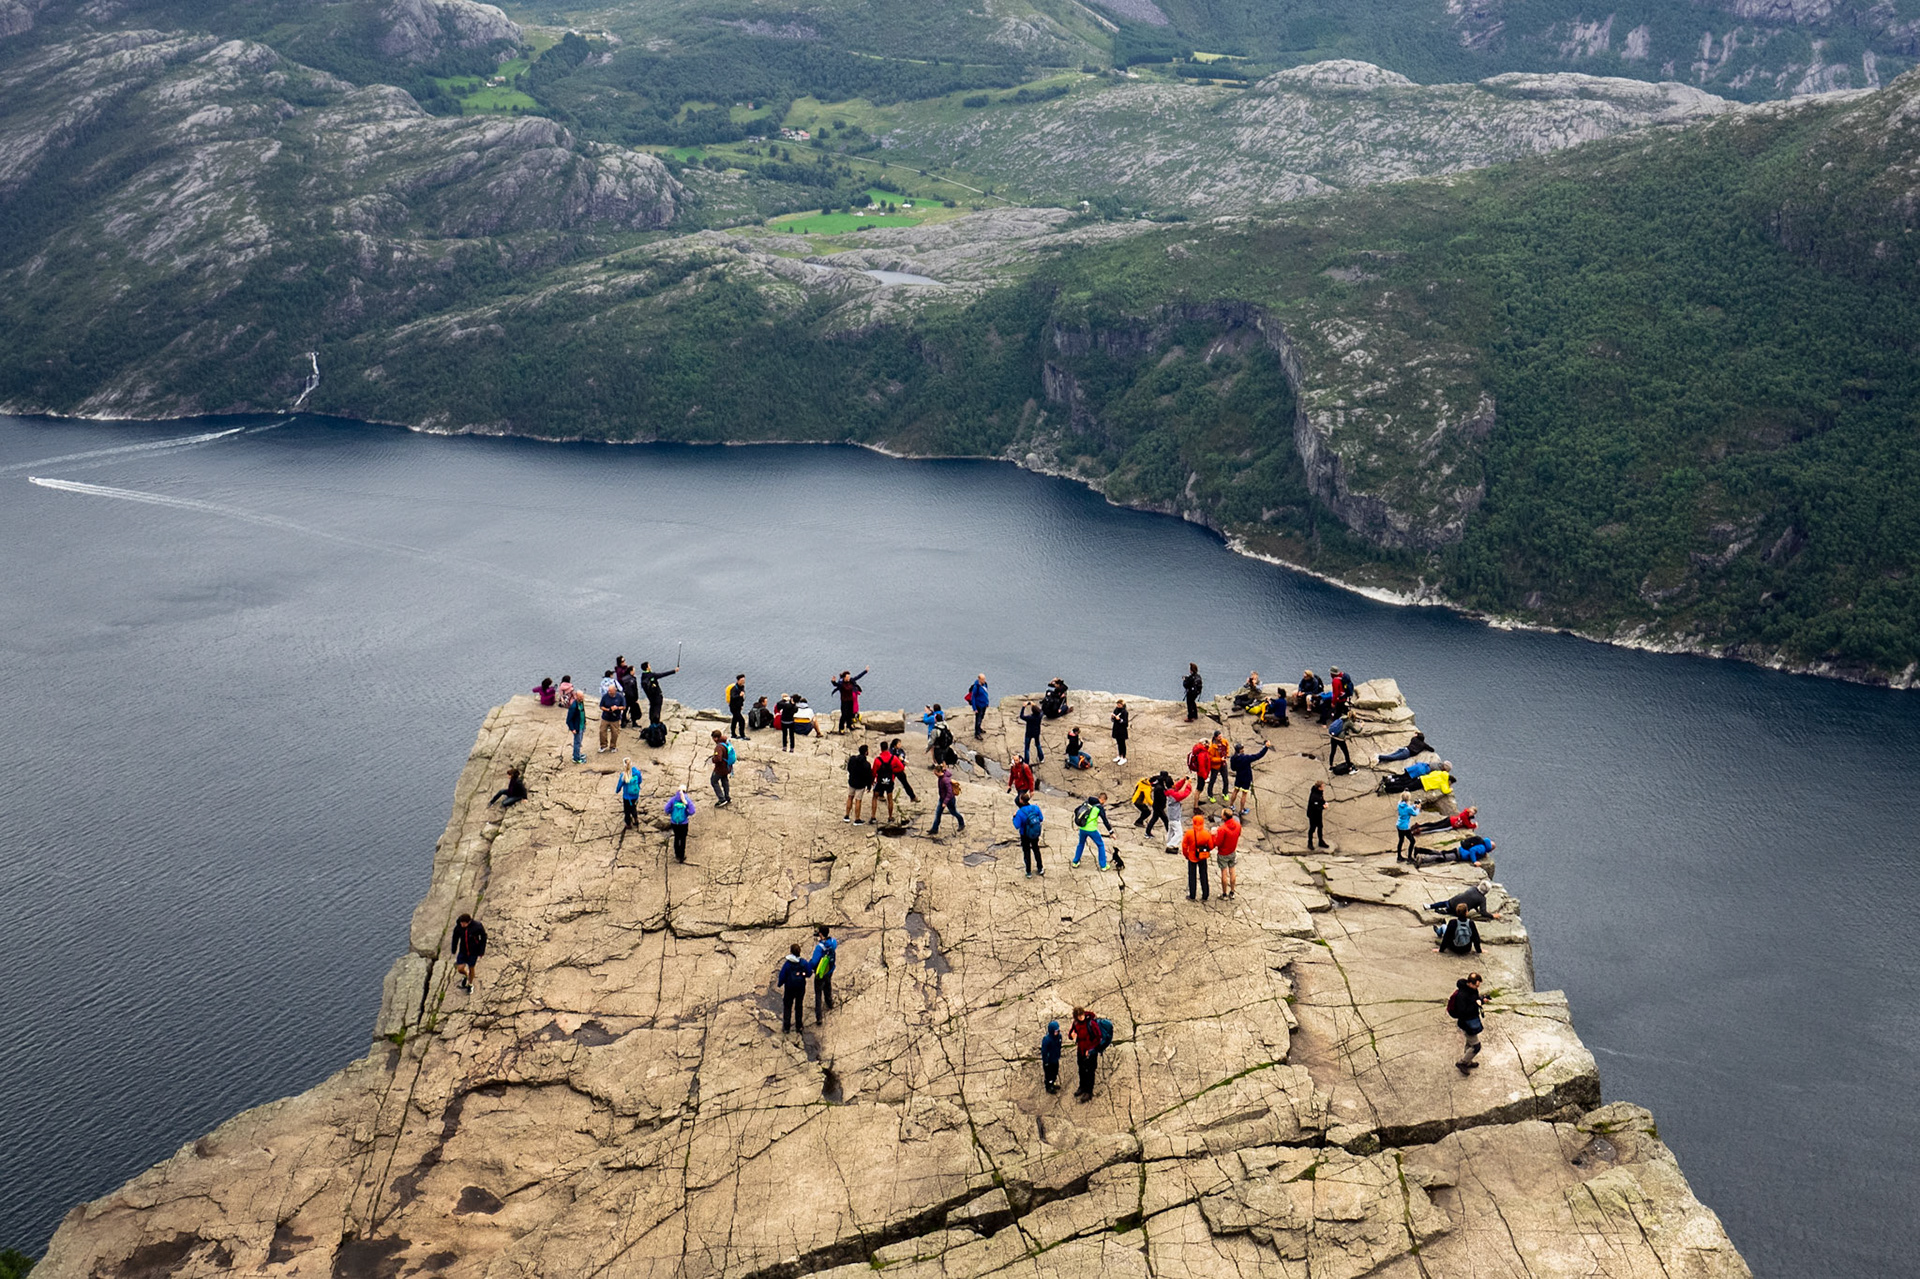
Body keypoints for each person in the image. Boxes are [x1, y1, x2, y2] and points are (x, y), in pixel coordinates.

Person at [1447, 973, 1487, 1072]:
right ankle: (1462, 1062)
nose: (1477, 988)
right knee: (1476, 1046)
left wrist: (1482, 1000)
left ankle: (1468, 1061)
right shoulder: (1462, 995)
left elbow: (1475, 1000)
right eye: (1476, 985)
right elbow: (1463, 1012)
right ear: (1470, 983)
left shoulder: (1473, 990)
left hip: (1472, 1021)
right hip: (1466, 1023)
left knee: (1469, 1043)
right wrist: (1476, 1005)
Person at [1072, 793, 1115, 870]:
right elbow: (1105, 821)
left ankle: (1075, 862)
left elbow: (1076, 810)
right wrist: (1111, 832)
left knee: (1081, 844)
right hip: (1092, 829)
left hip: (1082, 828)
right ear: (1103, 800)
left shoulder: (1087, 802)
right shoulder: (1099, 807)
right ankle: (1103, 865)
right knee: (1100, 845)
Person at [1227, 739, 1271, 815]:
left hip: (1239, 776)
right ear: (1240, 750)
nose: (1243, 750)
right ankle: (1241, 810)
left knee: (1235, 790)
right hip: (1246, 777)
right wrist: (1266, 747)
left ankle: (1231, 805)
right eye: (1242, 749)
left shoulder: (1233, 758)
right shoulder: (1246, 758)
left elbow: (1233, 768)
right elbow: (1258, 755)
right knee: (1244, 794)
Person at [777, 943, 810, 1035]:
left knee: (787, 1006)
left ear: (791, 952)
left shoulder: (787, 964)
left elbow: (782, 975)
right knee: (799, 1005)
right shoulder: (803, 963)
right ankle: (799, 1026)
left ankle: (786, 1027)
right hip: (800, 987)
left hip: (789, 988)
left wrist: (780, 984)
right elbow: (809, 973)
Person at [1070, 1007, 1102, 1101]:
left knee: (1090, 1071)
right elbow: (1071, 1033)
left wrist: (1090, 1049)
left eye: (1082, 1015)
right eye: (1079, 1016)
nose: (1081, 1017)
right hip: (1081, 1050)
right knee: (1081, 1069)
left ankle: (1089, 1092)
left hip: (1090, 1052)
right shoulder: (1076, 1023)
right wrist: (1071, 1036)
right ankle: (1082, 1087)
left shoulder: (1091, 1023)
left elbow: (1098, 1037)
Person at [451, 913, 487, 992]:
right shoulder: (458, 927)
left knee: (471, 968)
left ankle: (470, 984)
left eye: (463, 923)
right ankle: (465, 975)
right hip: (463, 951)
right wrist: (453, 949)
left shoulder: (477, 926)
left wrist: (481, 951)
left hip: (473, 952)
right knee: (460, 968)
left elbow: (483, 937)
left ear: (469, 922)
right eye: (461, 923)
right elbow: (455, 938)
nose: (462, 925)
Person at [1181, 812, 1213, 901]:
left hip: (1192, 857)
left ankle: (1192, 895)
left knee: (1192, 876)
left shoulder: (1189, 833)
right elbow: (1210, 846)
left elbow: (1184, 846)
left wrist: (1186, 855)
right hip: (1202, 857)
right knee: (1204, 875)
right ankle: (1205, 895)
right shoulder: (1206, 833)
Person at [810, 924, 838, 1021]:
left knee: (818, 993)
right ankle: (829, 1003)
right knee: (827, 985)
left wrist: (808, 966)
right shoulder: (833, 942)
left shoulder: (819, 947)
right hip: (829, 969)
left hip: (821, 972)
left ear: (820, 934)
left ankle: (819, 1017)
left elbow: (814, 962)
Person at [1214, 810, 1243, 899]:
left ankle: (1224, 894)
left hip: (1223, 853)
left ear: (1224, 817)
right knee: (1232, 871)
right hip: (1232, 851)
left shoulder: (1222, 829)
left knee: (1224, 873)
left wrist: (1214, 835)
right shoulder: (1238, 825)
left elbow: (1218, 843)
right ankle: (1232, 892)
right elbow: (1238, 834)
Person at [1013, 798, 1045, 877]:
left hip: (1025, 834)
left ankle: (1028, 872)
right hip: (1034, 833)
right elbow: (1041, 819)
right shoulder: (1035, 808)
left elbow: (1017, 825)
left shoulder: (1020, 812)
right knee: (1036, 849)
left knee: (1026, 852)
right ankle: (1040, 868)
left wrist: (1014, 817)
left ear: (1021, 801)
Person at [929, 765, 965, 835]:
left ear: (939, 772)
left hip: (949, 800)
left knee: (953, 812)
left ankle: (961, 823)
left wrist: (945, 802)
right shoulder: (941, 776)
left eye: (935, 772)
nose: (934, 773)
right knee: (938, 813)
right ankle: (934, 829)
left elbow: (950, 792)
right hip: (942, 798)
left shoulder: (945, 780)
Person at [640, 660, 677, 726]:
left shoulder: (643, 676)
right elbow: (663, 674)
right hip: (657, 696)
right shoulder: (652, 675)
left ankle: (652, 723)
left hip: (650, 697)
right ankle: (656, 724)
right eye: (649, 665)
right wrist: (674, 671)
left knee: (652, 708)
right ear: (647, 668)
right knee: (657, 710)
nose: (650, 666)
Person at [831, 667, 868, 733]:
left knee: (850, 714)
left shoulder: (851, 681)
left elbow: (858, 677)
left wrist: (865, 671)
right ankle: (841, 728)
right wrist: (833, 681)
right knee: (844, 715)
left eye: (849, 677)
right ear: (844, 677)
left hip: (850, 700)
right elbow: (836, 685)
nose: (848, 678)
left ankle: (849, 725)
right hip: (844, 701)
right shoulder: (841, 684)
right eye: (847, 677)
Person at [869, 742, 898, 824]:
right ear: (887, 748)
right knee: (890, 799)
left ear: (881, 748)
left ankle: (873, 816)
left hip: (880, 781)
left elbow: (874, 772)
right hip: (889, 781)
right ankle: (890, 816)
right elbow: (900, 767)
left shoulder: (877, 760)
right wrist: (893, 774)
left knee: (875, 797)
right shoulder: (894, 758)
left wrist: (872, 781)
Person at [1163, 773, 1193, 851]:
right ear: (1172, 785)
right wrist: (1188, 785)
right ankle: (1170, 845)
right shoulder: (1174, 795)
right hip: (1174, 816)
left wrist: (1184, 780)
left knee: (1171, 831)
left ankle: (1169, 842)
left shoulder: (1169, 791)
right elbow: (1184, 794)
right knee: (1179, 833)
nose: (1175, 783)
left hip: (1171, 815)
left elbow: (1177, 787)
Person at [1428, 885, 1499, 918]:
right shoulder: (1482, 899)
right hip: (1457, 909)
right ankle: (1444, 911)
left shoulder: (1473, 888)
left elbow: (1471, 899)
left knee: (1444, 903)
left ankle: (1430, 906)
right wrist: (1492, 916)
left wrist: (1476, 909)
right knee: (1452, 911)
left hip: (1452, 901)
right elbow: (1483, 912)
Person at [845, 745, 874, 822]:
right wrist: (869, 786)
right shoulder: (867, 764)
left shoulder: (852, 759)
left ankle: (847, 816)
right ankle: (857, 819)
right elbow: (868, 776)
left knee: (850, 797)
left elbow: (849, 768)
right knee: (858, 800)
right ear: (866, 752)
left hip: (852, 782)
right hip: (861, 784)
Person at [664, 788, 694, 861]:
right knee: (683, 839)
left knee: (677, 837)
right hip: (683, 823)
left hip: (674, 823)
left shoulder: (673, 799)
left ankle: (677, 854)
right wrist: (686, 814)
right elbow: (692, 811)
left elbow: (666, 809)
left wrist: (671, 813)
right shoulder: (687, 800)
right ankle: (681, 856)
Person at [1143, 770, 1173, 838]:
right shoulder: (1159, 788)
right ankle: (1169, 833)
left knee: (1154, 819)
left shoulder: (1159, 784)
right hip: (1158, 807)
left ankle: (1147, 832)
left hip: (1157, 806)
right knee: (1165, 820)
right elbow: (1161, 798)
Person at [1413, 806, 1478, 837]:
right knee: (1436, 828)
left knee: (1434, 824)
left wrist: (1470, 818)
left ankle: (1419, 825)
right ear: (1469, 810)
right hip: (1451, 824)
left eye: (1472, 813)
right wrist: (1475, 825)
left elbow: (1466, 820)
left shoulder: (1465, 812)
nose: (1471, 814)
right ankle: (1420, 831)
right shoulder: (1465, 816)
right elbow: (1468, 825)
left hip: (1450, 819)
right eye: (1471, 812)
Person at [614, 758, 642, 829]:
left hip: (627, 797)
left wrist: (617, 791)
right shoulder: (637, 773)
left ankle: (628, 824)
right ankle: (636, 819)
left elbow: (620, 785)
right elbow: (640, 781)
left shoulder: (623, 775)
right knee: (633, 807)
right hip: (635, 795)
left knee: (627, 811)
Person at [598, 681, 625, 753]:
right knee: (602, 731)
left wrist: (617, 708)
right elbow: (601, 706)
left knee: (615, 733)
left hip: (615, 718)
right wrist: (607, 709)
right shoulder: (605, 696)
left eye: (611, 692)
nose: (609, 693)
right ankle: (603, 745)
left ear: (615, 691)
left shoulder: (620, 696)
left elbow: (624, 707)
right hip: (605, 717)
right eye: (609, 691)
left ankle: (613, 746)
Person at [709, 731, 733, 807]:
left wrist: (713, 759)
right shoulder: (726, 742)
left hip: (720, 768)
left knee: (713, 781)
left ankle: (722, 799)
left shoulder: (719, 747)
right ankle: (727, 797)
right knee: (724, 780)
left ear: (716, 738)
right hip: (727, 767)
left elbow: (718, 759)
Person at [1040, 1019, 1063, 1093]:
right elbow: (1044, 1051)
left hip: (1055, 1059)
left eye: (1057, 1030)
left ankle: (1053, 1083)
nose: (1057, 1032)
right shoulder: (1047, 1039)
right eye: (1055, 1031)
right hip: (1049, 1061)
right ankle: (1049, 1086)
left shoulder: (1059, 1037)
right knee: (1049, 1075)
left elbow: (1059, 1046)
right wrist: (1046, 1061)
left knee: (1055, 1072)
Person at [618, 661, 642, 729]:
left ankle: (623, 722)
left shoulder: (623, 679)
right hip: (632, 697)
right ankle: (634, 723)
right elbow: (634, 689)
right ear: (631, 671)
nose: (634, 672)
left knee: (625, 709)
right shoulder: (632, 679)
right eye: (634, 670)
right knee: (633, 710)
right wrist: (636, 698)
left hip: (625, 696)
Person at [564, 692, 587, 764]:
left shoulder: (581, 703)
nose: (582, 698)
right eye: (580, 697)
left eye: (582, 697)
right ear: (576, 696)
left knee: (579, 742)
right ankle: (576, 758)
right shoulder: (573, 706)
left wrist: (584, 721)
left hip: (581, 725)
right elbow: (568, 720)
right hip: (577, 727)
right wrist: (572, 729)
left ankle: (577, 754)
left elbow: (583, 712)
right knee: (577, 743)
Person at [966, 674, 991, 738]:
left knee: (982, 717)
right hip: (978, 705)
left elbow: (985, 694)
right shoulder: (976, 687)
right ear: (979, 679)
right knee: (978, 719)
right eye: (982, 679)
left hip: (984, 704)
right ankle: (977, 733)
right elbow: (973, 697)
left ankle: (979, 728)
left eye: (984, 679)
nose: (984, 680)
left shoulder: (985, 684)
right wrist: (974, 708)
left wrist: (987, 703)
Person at [1305, 781, 1328, 850]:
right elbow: (1315, 808)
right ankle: (1310, 843)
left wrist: (1324, 802)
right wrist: (1323, 807)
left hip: (1318, 814)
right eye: (1322, 786)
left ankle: (1321, 841)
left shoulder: (1319, 792)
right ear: (1319, 787)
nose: (1324, 787)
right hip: (1313, 814)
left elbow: (1321, 799)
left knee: (1320, 827)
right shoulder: (1314, 796)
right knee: (1312, 828)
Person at [1205, 733, 1229, 798]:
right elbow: (1211, 758)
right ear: (1215, 738)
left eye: (1221, 736)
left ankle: (1225, 793)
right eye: (1219, 737)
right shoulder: (1212, 747)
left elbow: (1227, 747)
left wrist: (1226, 754)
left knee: (1225, 779)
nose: (1221, 738)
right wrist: (1220, 759)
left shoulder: (1224, 741)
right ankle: (1210, 795)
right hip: (1215, 766)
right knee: (1212, 780)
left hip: (1223, 764)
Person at [1110, 699, 1130, 765]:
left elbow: (1126, 723)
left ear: (1122, 705)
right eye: (1117, 704)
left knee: (1122, 744)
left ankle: (1123, 757)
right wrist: (1113, 717)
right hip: (1116, 729)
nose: (1118, 705)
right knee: (1118, 743)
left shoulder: (1125, 712)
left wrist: (1119, 719)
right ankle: (1119, 755)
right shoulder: (1116, 710)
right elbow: (1113, 720)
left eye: (1119, 704)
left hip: (1122, 730)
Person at [728, 675, 748, 739]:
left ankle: (733, 734)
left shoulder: (742, 687)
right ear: (738, 680)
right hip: (734, 707)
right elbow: (733, 697)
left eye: (744, 680)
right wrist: (739, 695)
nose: (743, 682)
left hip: (738, 707)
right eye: (742, 680)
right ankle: (742, 735)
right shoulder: (734, 688)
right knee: (742, 720)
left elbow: (741, 698)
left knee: (735, 720)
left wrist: (741, 705)